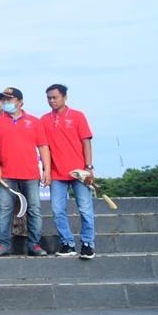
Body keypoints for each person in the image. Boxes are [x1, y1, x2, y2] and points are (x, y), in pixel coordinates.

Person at [0, 86, 51, 257]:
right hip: (6, 174)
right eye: (4, 99)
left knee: (34, 209)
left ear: (20, 102)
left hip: (30, 173)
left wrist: (47, 169)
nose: (6, 102)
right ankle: (2, 244)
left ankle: (34, 244)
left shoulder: (34, 121)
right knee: (4, 209)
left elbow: (43, 146)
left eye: (10, 99)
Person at [40, 84, 96, 259]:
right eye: (49, 98)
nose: (52, 101)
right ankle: (67, 243)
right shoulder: (44, 119)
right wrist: (46, 170)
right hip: (57, 174)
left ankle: (88, 243)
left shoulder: (78, 116)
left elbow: (86, 142)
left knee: (85, 209)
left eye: (55, 97)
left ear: (65, 97)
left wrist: (88, 168)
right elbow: (44, 147)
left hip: (79, 172)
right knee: (57, 210)